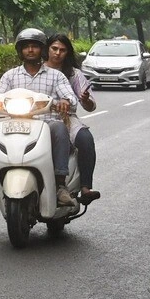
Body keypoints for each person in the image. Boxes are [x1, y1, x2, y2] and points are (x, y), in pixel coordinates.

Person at [0, 28, 79, 208]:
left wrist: (64, 101)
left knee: (60, 128)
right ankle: (1, 184)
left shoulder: (56, 76)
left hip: (46, 124)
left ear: (42, 50)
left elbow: (70, 98)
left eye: (34, 46)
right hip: (16, 125)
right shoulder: (10, 75)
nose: (30, 50)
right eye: (26, 47)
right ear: (20, 51)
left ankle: (60, 183)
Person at [46, 33, 100, 204]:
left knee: (85, 138)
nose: (57, 53)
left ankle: (85, 187)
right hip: (36, 118)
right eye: (54, 48)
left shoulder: (73, 74)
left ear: (67, 53)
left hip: (66, 119)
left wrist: (85, 99)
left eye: (62, 50)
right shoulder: (36, 70)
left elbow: (90, 106)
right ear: (46, 49)